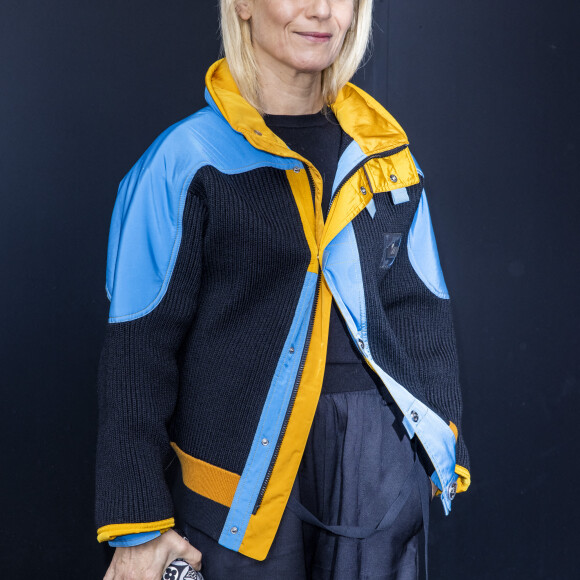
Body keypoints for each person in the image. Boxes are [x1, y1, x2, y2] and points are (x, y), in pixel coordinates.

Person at [96, 1, 471, 578]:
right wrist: (138, 524)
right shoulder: (184, 162)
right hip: (233, 489)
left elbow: (420, 306)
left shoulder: (386, 157)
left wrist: (437, 436)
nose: (322, 11)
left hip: (377, 477)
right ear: (242, 5)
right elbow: (137, 354)